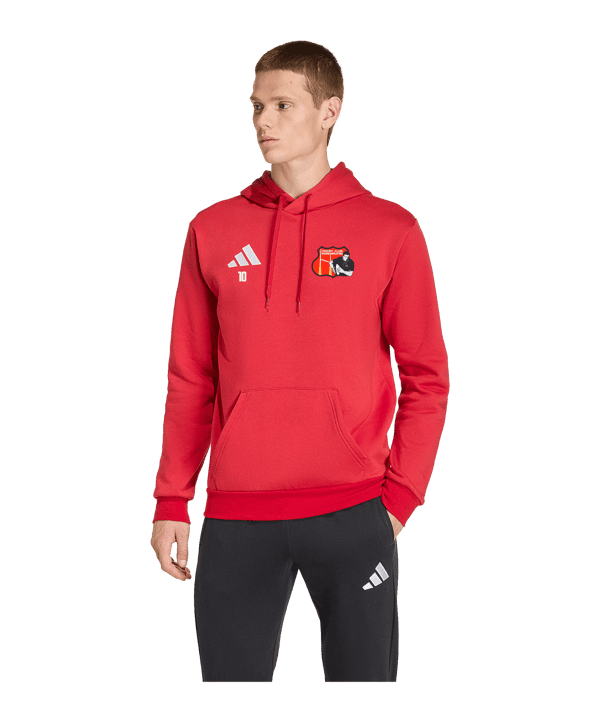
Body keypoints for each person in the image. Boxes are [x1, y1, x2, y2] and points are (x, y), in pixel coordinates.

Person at [150, 40, 450, 684]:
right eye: (256, 106)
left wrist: (400, 496)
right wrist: (172, 499)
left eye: (282, 105)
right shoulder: (212, 229)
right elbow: (190, 378)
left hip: (354, 511)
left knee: (364, 688)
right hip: (236, 514)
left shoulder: (391, 230)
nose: (263, 120)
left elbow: (428, 378)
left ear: (330, 111)